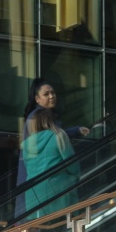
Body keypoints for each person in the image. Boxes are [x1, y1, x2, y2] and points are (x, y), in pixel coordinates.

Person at [15, 78, 89, 218]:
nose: (51, 96)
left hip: (34, 189)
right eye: (46, 94)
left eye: (53, 93)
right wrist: (75, 175)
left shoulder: (38, 117)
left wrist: (74, 131)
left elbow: (47, 138)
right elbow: (53, 140)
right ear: (37, 99)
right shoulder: (36, 118)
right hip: (53, 187)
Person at [20, 108, 79, 218]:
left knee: (40, 227)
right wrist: (75, 177)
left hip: (33, 194)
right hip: (57, 192)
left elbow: (28, 167)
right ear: (52, 121)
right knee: (62, 226)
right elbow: (71, 164)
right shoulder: (58, 135)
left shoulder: (28, 143)